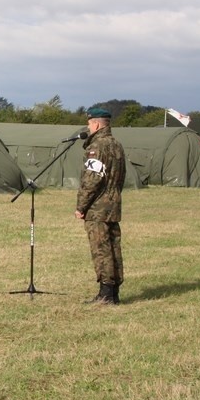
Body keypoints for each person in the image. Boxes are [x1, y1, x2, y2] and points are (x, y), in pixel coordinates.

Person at [75, 107, 126, 304]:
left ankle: (105, 294)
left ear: (95, 124)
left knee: (101, 249)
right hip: (113, 204)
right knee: (114, 248)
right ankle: (114, 293)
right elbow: (121, 177)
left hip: (98, 208)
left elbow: (92, 180)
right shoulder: (117, 145)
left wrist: (81, 206)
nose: (88, 127)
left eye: (89, 123)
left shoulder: (96, 148)